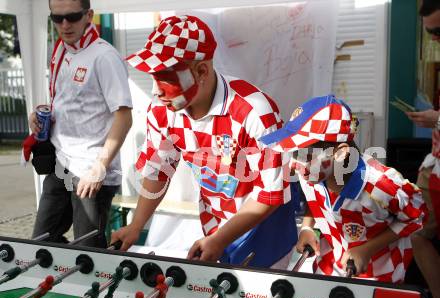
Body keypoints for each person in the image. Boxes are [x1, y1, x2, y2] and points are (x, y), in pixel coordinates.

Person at [111, 15, 297, 268]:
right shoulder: (162, 111)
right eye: (154, 77)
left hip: (264, 234)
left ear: (201, 71)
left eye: (166, 77)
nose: (156, 90)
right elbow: (158, 171)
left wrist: (220, 239)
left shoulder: (253, 111)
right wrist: (135, 226)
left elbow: (271, 194)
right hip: (214, 228)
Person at [260, 94, 427, 282]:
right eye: (293, 153)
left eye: (305, 155)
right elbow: (315, 200)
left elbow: (416, 216)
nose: (293, 165)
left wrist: (366, 249)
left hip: (379, 275)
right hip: (329, 266)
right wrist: (308, 228)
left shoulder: (382, 185)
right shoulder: (310, 173)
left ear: (340, 153)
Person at [28, 0, 133, 247]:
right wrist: (42, 114)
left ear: (89, 16)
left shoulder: (104, 56)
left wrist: (99, 167)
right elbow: (70, 101)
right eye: (57, 18)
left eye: (73, 17)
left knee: (87, 253)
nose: (64, 25)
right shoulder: (62, 50)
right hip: (60, 162)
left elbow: (124, 117)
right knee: (42, 243)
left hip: (90, 169)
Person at [406, 1, 440, 298]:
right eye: (430, 34)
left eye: (438, 30)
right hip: (434, 170)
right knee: (418, 233)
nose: (435, 39)